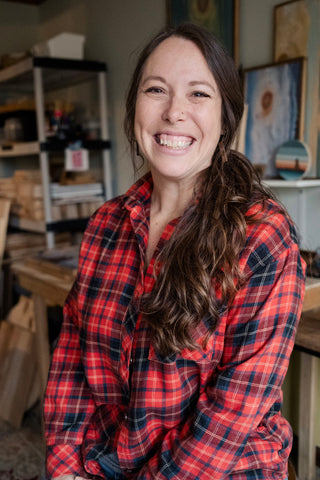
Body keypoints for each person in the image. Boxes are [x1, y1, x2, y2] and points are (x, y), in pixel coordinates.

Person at [44, 23, 306, 480]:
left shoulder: (263, 236)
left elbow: (230, 417)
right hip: (112, 460)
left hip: (222, 468)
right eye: (156, 89)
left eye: (199, 94)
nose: (174, 112)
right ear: (134, 109)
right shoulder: (106, 225)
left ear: (226, 117)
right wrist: (65, 465)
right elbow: (72, 352)